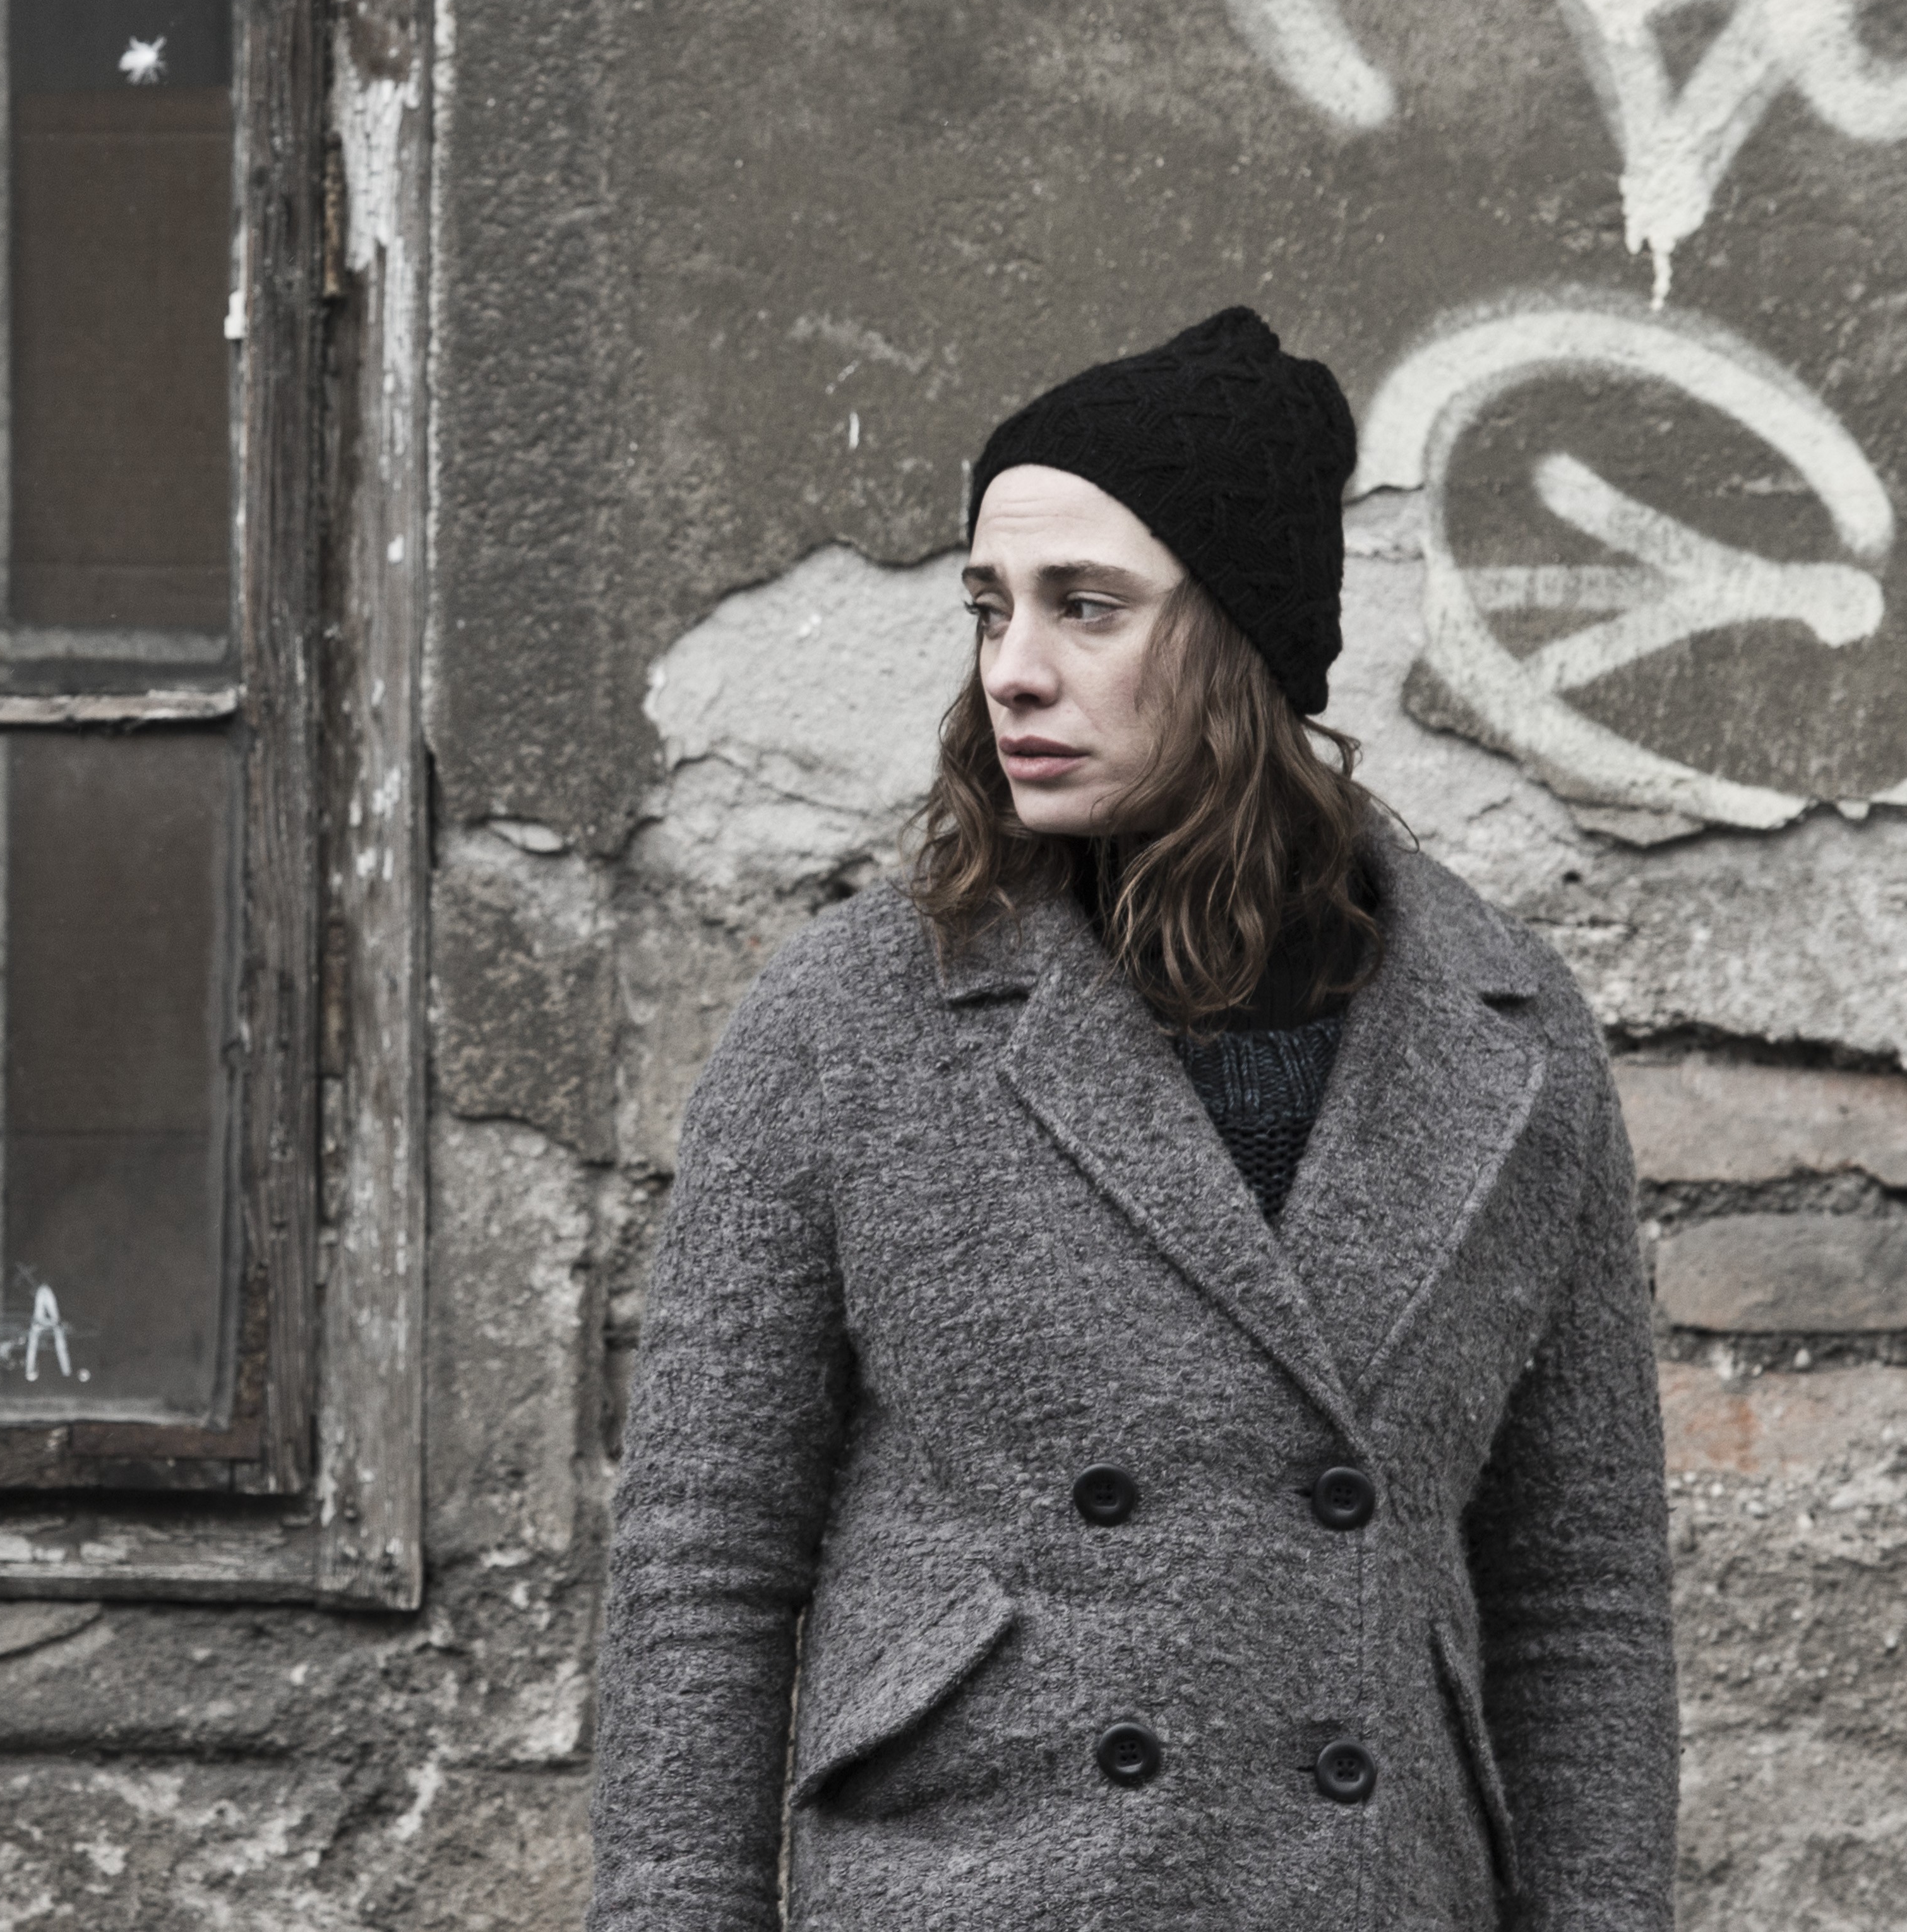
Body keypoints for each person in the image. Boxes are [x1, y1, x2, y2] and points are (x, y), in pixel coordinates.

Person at [587, 309, 1676, 1929]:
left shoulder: (1507, 1039)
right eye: (991, 607)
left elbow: (1581, 1599)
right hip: (975, 1890)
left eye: (1085, 607)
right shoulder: (851, 1020)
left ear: (1243, 636)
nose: (1012, 669)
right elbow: (703, 1564)